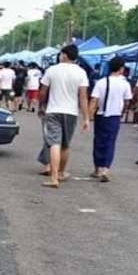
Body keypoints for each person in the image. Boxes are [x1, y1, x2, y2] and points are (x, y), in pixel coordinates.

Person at [38, 44, 90, 188]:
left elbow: (42, 92)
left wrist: (41, 107)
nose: (60, 56)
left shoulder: (52, 70)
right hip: (71, 112)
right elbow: (83, 97)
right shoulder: (81, 72)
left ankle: (54, 178)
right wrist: (86, 117)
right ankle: (61, 172)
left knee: (54, 143)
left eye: (61, 54)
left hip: (53, 110)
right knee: (65, 145)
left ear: (65, 55)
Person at [89, 56, 133, 182]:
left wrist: (89, 116)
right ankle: (106, 169)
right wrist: (123, 112)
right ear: (121, 68)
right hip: (115, 116)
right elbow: (126, 101)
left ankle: (97, 168)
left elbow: (94, 100)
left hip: (101, 115)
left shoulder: (101, 82)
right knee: (110, 142)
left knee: (98, 141)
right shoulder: (125, 84)